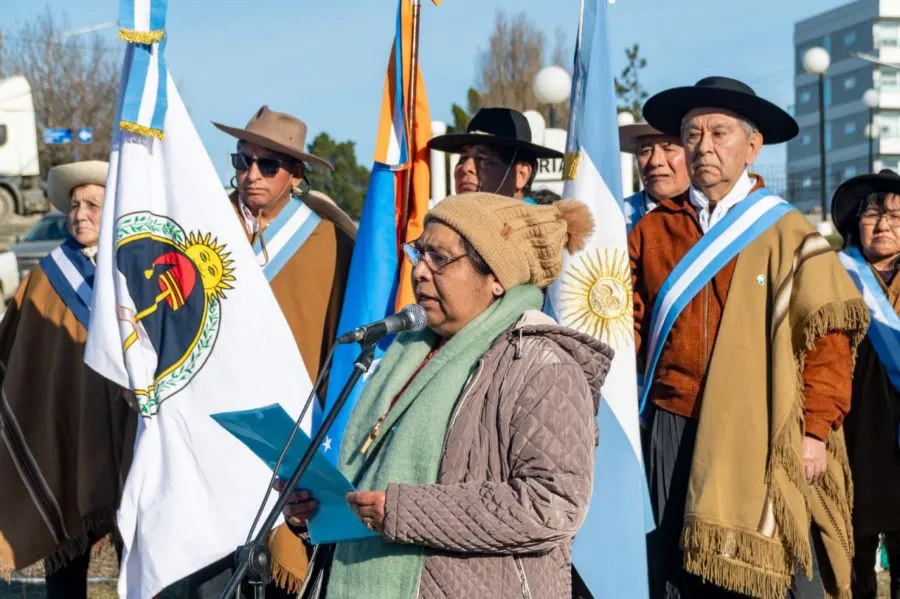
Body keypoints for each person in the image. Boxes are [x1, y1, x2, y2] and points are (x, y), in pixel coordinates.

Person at [283, 193, 611, 598]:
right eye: (418, 253)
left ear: (496, 279)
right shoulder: (406, 353)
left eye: (439, 258)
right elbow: (368, 488)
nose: (420, 271)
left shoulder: (541, 365)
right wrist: (317, 512)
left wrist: (404, 512)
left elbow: (553, 504)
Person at [633, 76, 868, 598]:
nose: (703, 147)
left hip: (757, 419)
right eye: (692, 134)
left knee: (756, 569)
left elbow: (828, 337)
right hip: (672, 418)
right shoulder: (653, 230)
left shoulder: (787, 231)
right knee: (673, 568)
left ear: (753, 146)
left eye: (719, 133)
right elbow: (628, 322)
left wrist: (815, 429)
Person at [183, 106, 356, 596]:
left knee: (280, 576)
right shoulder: (203, 234)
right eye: (242, 160)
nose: (251, 174)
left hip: (291, 430)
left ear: (296, 175)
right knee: (210, 578)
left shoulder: (330, 244)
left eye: (268, 164)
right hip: (213, 429)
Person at [0, 161, 136, 599]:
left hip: (130, 433)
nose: (80, 214)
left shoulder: (136, 271)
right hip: (66, 434)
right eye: (75, 205)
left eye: (93, 204)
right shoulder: (45, 278)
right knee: (65, 566)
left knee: (137, 560)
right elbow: (19, 355)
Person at [831, 169, 900, 599]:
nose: (883, 225)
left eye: (895, 216)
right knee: (851, 551)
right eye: (873, 215)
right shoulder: (833, 275)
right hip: (855, 430)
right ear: (856, 223)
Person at [428, 107, 563, 201]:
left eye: (483, 159)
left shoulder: (545, 231)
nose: (465, 168)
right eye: (462, 158)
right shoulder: (448, 227)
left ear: (521, 174)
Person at [618, 120, 690, 231]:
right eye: (646, 151)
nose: (655, 161)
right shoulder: (616, 218)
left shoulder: (712, 216)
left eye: (668, 149)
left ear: (692, 155)